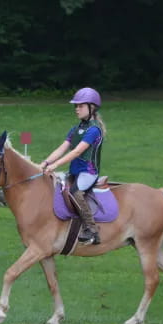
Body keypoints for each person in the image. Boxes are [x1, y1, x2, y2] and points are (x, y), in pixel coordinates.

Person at [40, 87, 106, 245]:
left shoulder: (94, 130)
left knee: (75, 192)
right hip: (74, 172)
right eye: (75, 106)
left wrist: (55, 165)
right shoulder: (75, 129)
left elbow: (76, 152)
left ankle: (92, 230)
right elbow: (61, 149)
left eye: (81, 106)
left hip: (88, 172)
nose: (77, 109)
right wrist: (45, 163)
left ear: (92, 107)